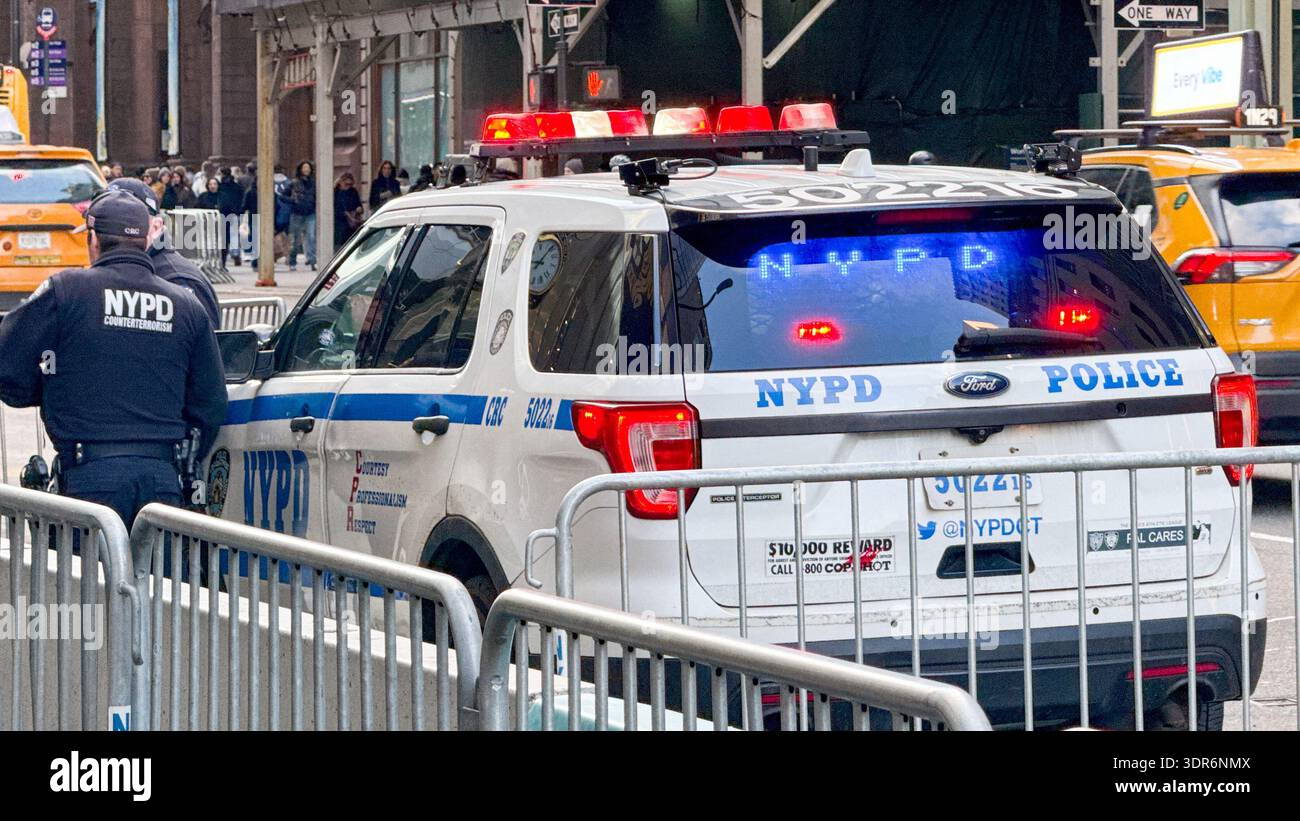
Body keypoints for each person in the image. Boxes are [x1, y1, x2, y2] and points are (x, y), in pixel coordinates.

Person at [0, 189, 227, 529]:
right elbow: (210, 401)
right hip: (162, 481)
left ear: (93, 240)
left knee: (86, 581)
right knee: (160, 583)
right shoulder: (185, 304)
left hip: (89, 478)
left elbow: (8, 364)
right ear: (146, 236)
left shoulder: (66, 291)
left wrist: (51, 388)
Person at [108, 177, 221, 329]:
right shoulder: (121, 271)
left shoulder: (178, 279)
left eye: (125, 224)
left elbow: (207, 345)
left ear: (155, 226)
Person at [287, 160, 317, 270]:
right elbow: (283, 196)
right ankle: (292, 261)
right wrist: (292, 200)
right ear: (300, 169)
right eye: (304, 168)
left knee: (311, 237)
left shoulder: (314, 183)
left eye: (308, 168)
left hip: (310, 212)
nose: (306, 170)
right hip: (297, 213)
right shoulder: (294, 183)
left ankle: (312, 260)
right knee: (295, 239)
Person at [217, 167, 245, 267]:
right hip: (235, 213)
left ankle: (224, 255)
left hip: (222, 213)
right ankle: (235, 253)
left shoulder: (220, 186)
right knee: (234, 235)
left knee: (224, 235)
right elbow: (242, 198)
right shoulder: (237, 186)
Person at [334, 171, 363, 251]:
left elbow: (359, 203)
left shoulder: (353, 191)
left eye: (350, 184)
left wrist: (359, 208)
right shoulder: (336, 192)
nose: (348, 187)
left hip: (352, 220)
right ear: (341, 182)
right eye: (346, 184)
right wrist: (345, 214)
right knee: (340, 243)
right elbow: (335, 208)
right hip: (340, 222)